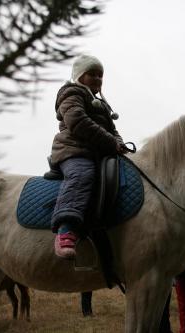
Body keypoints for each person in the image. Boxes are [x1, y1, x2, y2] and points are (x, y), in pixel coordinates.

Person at [50, 55, 126, 259]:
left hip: (98, 153)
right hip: (74, 150)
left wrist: (121, 145)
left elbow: (113, 130)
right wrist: (111, 143)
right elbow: (77, 121)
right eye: (91, 73)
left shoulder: (100, 104)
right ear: (78, 76)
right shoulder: (71, 93)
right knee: (82, 175)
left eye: (100, 75)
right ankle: (65, 229)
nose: (97, 78)